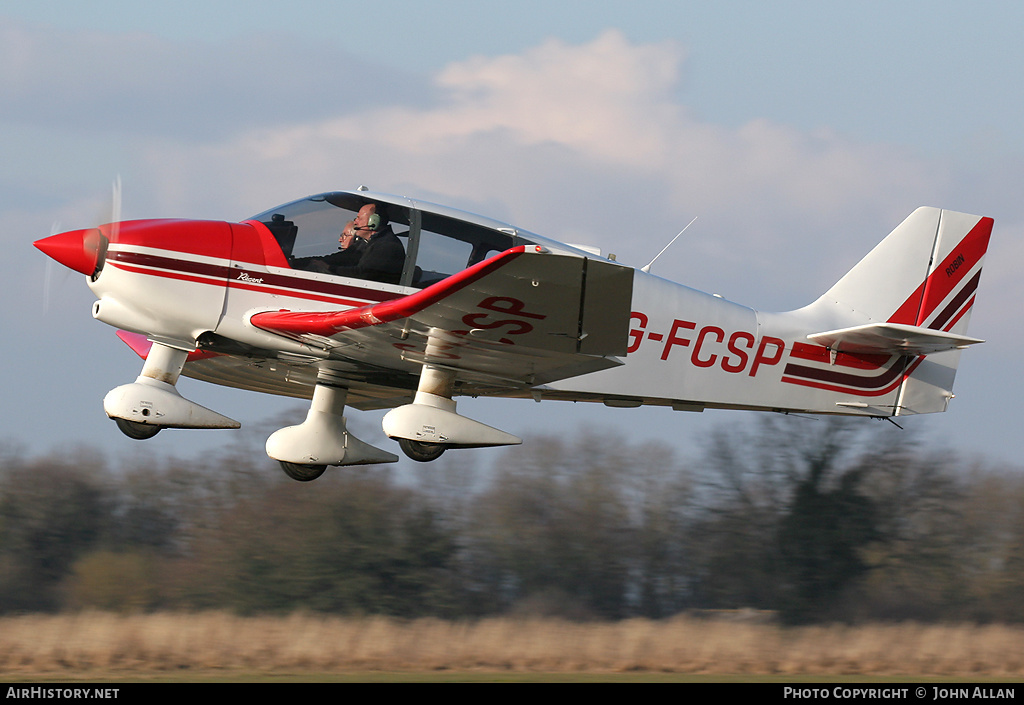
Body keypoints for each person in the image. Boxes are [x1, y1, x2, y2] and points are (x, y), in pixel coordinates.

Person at [331, 204, 406, 284]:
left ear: (374, 221)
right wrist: (318, 262)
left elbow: (363, 274)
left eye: (359, 218)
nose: (355, 222)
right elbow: (340, 258)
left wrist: (330, 268)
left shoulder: (387, 245)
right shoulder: (363, 243)